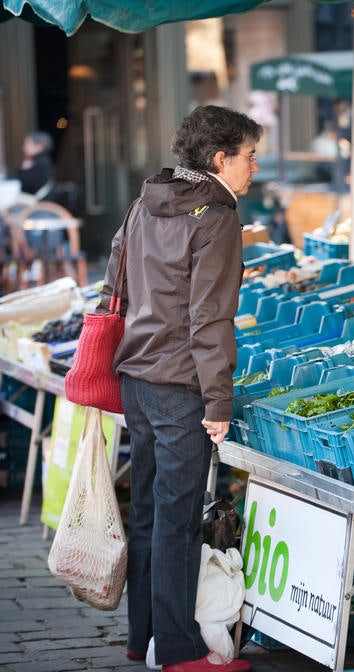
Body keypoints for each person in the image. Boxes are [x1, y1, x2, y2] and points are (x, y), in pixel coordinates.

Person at [98, 105, 260, 672]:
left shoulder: (148, 198)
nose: (254, 168)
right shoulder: (215, 216)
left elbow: (116, 270)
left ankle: (140, 635)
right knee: (177, 517)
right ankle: (177, 650)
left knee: (147, 512)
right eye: (249, 156)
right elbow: (210, 318)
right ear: (221, 159)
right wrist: (218, 401)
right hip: (180, 385)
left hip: (137, 378)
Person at [17, 130, 56, 200]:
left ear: (40, 146)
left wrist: (23, 170)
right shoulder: (41, 160)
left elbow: (30, 186)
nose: (24, 148)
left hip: (41, 203)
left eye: (28, 144)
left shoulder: (41, 162)